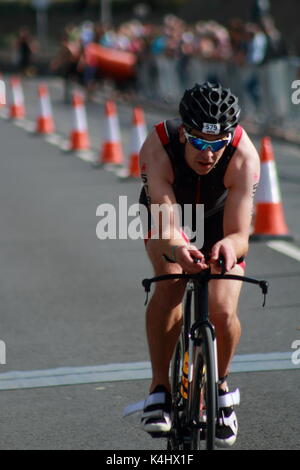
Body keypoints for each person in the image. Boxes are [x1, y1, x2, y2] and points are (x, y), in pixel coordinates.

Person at [138, 82, 260, 448]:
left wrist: (227, 245)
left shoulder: (243, 155)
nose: (209, 154)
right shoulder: (157, 146)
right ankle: (160, 387)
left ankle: (219, 385)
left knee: (223, 309)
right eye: (200, 143)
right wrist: (177, 250)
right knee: (171, 282)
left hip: (221, 219)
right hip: (171, 216)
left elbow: (240, 233)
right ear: (184, 133)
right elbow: (166, 223)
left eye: (217, 144)